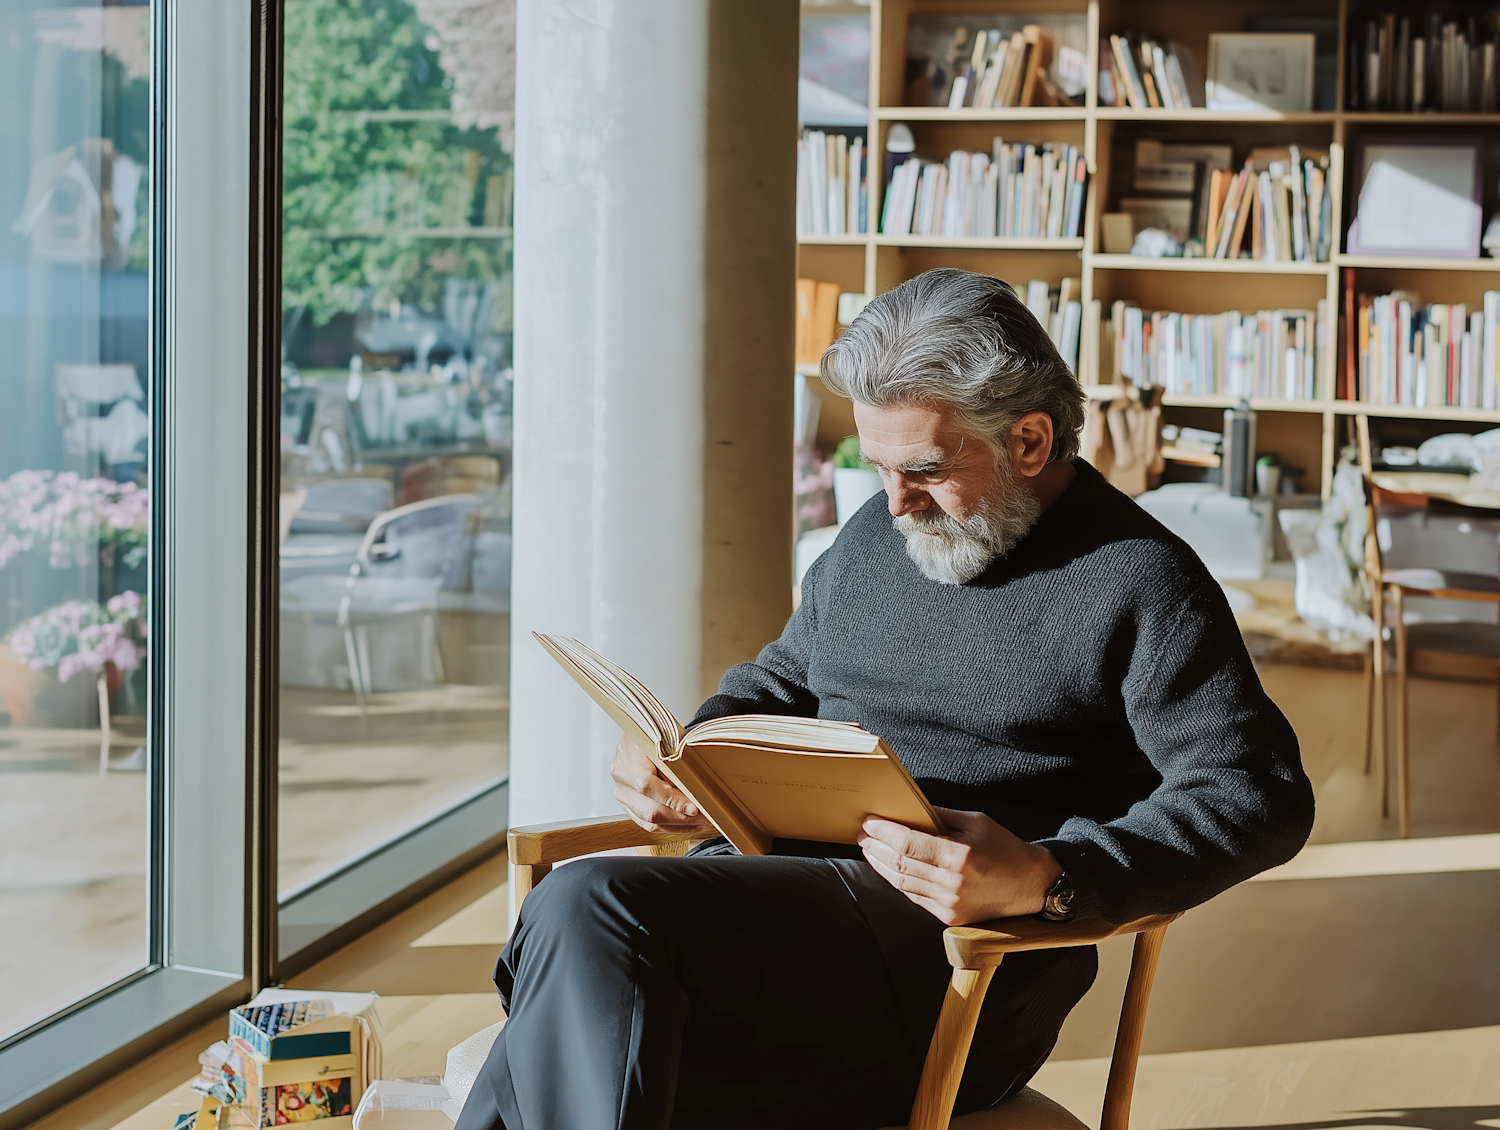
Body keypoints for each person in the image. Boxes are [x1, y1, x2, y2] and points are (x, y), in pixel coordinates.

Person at [456, 268, 1315, 1130]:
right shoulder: (878, 536)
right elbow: (781, 682)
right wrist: (692, 758)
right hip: (770, 924)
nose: (896, 502)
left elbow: (1260, 795)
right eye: (879, 466)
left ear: (1029, 440)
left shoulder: (1142, 580)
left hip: (950, 978)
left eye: (927, 469)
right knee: (576, 1000)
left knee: (582, 918)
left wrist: (1053, 876)